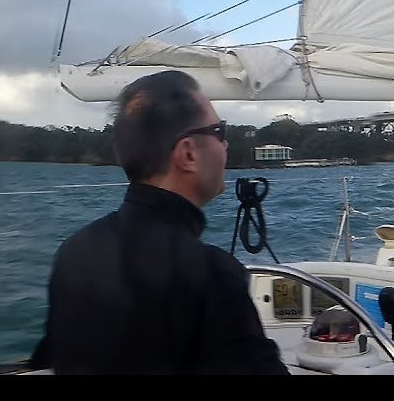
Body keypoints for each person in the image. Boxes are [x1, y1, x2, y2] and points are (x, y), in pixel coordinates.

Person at [28, 70, 290, 375]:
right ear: (188, 154)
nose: (226, 145)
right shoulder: (213, 276)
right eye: (219, 132)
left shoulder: (74, 252)